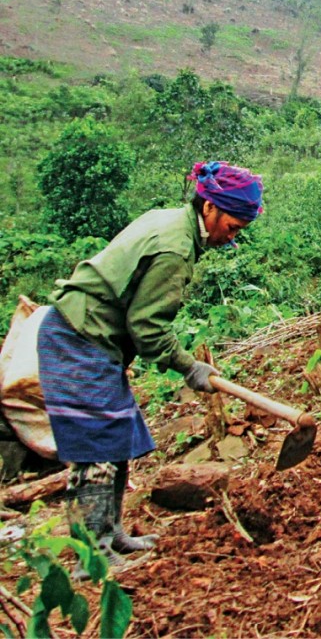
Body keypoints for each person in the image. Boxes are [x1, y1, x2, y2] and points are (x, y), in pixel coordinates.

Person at [38, 161, 263, 572]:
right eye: (231, 227)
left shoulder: (171, 220)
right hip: (78, 336)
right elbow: (146, 328)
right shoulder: (174, 248)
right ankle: (91, 558)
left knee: (118, 437)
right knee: (97, 445)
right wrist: (190, 366)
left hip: (92, 337)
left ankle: (113, 534)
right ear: (210, 208)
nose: (231, 238)